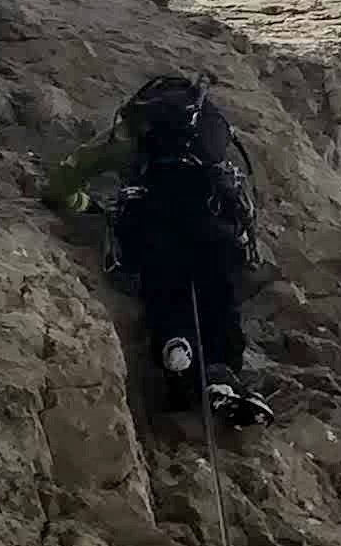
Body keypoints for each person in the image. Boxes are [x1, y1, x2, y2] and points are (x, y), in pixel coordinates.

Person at [44, 74, 271, 425]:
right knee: (220, 302)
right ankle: (222, 372)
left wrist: (83, 203)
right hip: (215, 232)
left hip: (152, 233)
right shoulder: (205, 132)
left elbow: (58, 186)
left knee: (166, 297)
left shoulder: (124, 140)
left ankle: (178, 352)